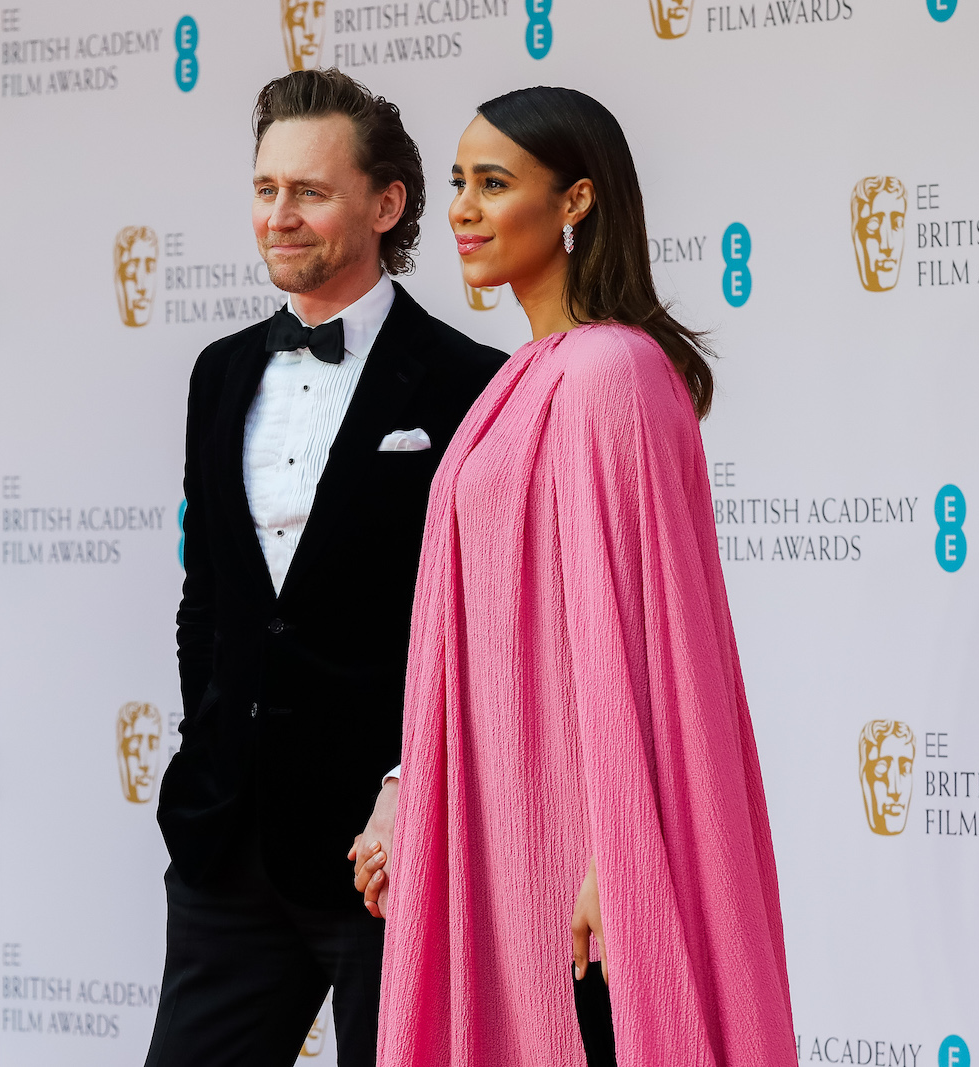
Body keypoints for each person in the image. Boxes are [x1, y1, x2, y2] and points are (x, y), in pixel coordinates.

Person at [357, 86, 798, 1067]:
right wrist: (407, 785)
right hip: (506, 832)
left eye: (495, 182)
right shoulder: (519, 379)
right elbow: (474, 635)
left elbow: (646, 638)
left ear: (575, 202)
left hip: (581, 853)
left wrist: (618, 853)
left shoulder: (610, 372)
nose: (462, 208)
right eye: (460, 181)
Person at [148, 69, 507, 1067]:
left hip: (390, 851)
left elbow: (482, 621)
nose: (278, 214)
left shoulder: (470, 382)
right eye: (265, 189)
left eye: (307, 190)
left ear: (385, 204)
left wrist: (410, 783)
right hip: (228, 843)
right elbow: (209, 597)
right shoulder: (218, 370)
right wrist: (203, 748)